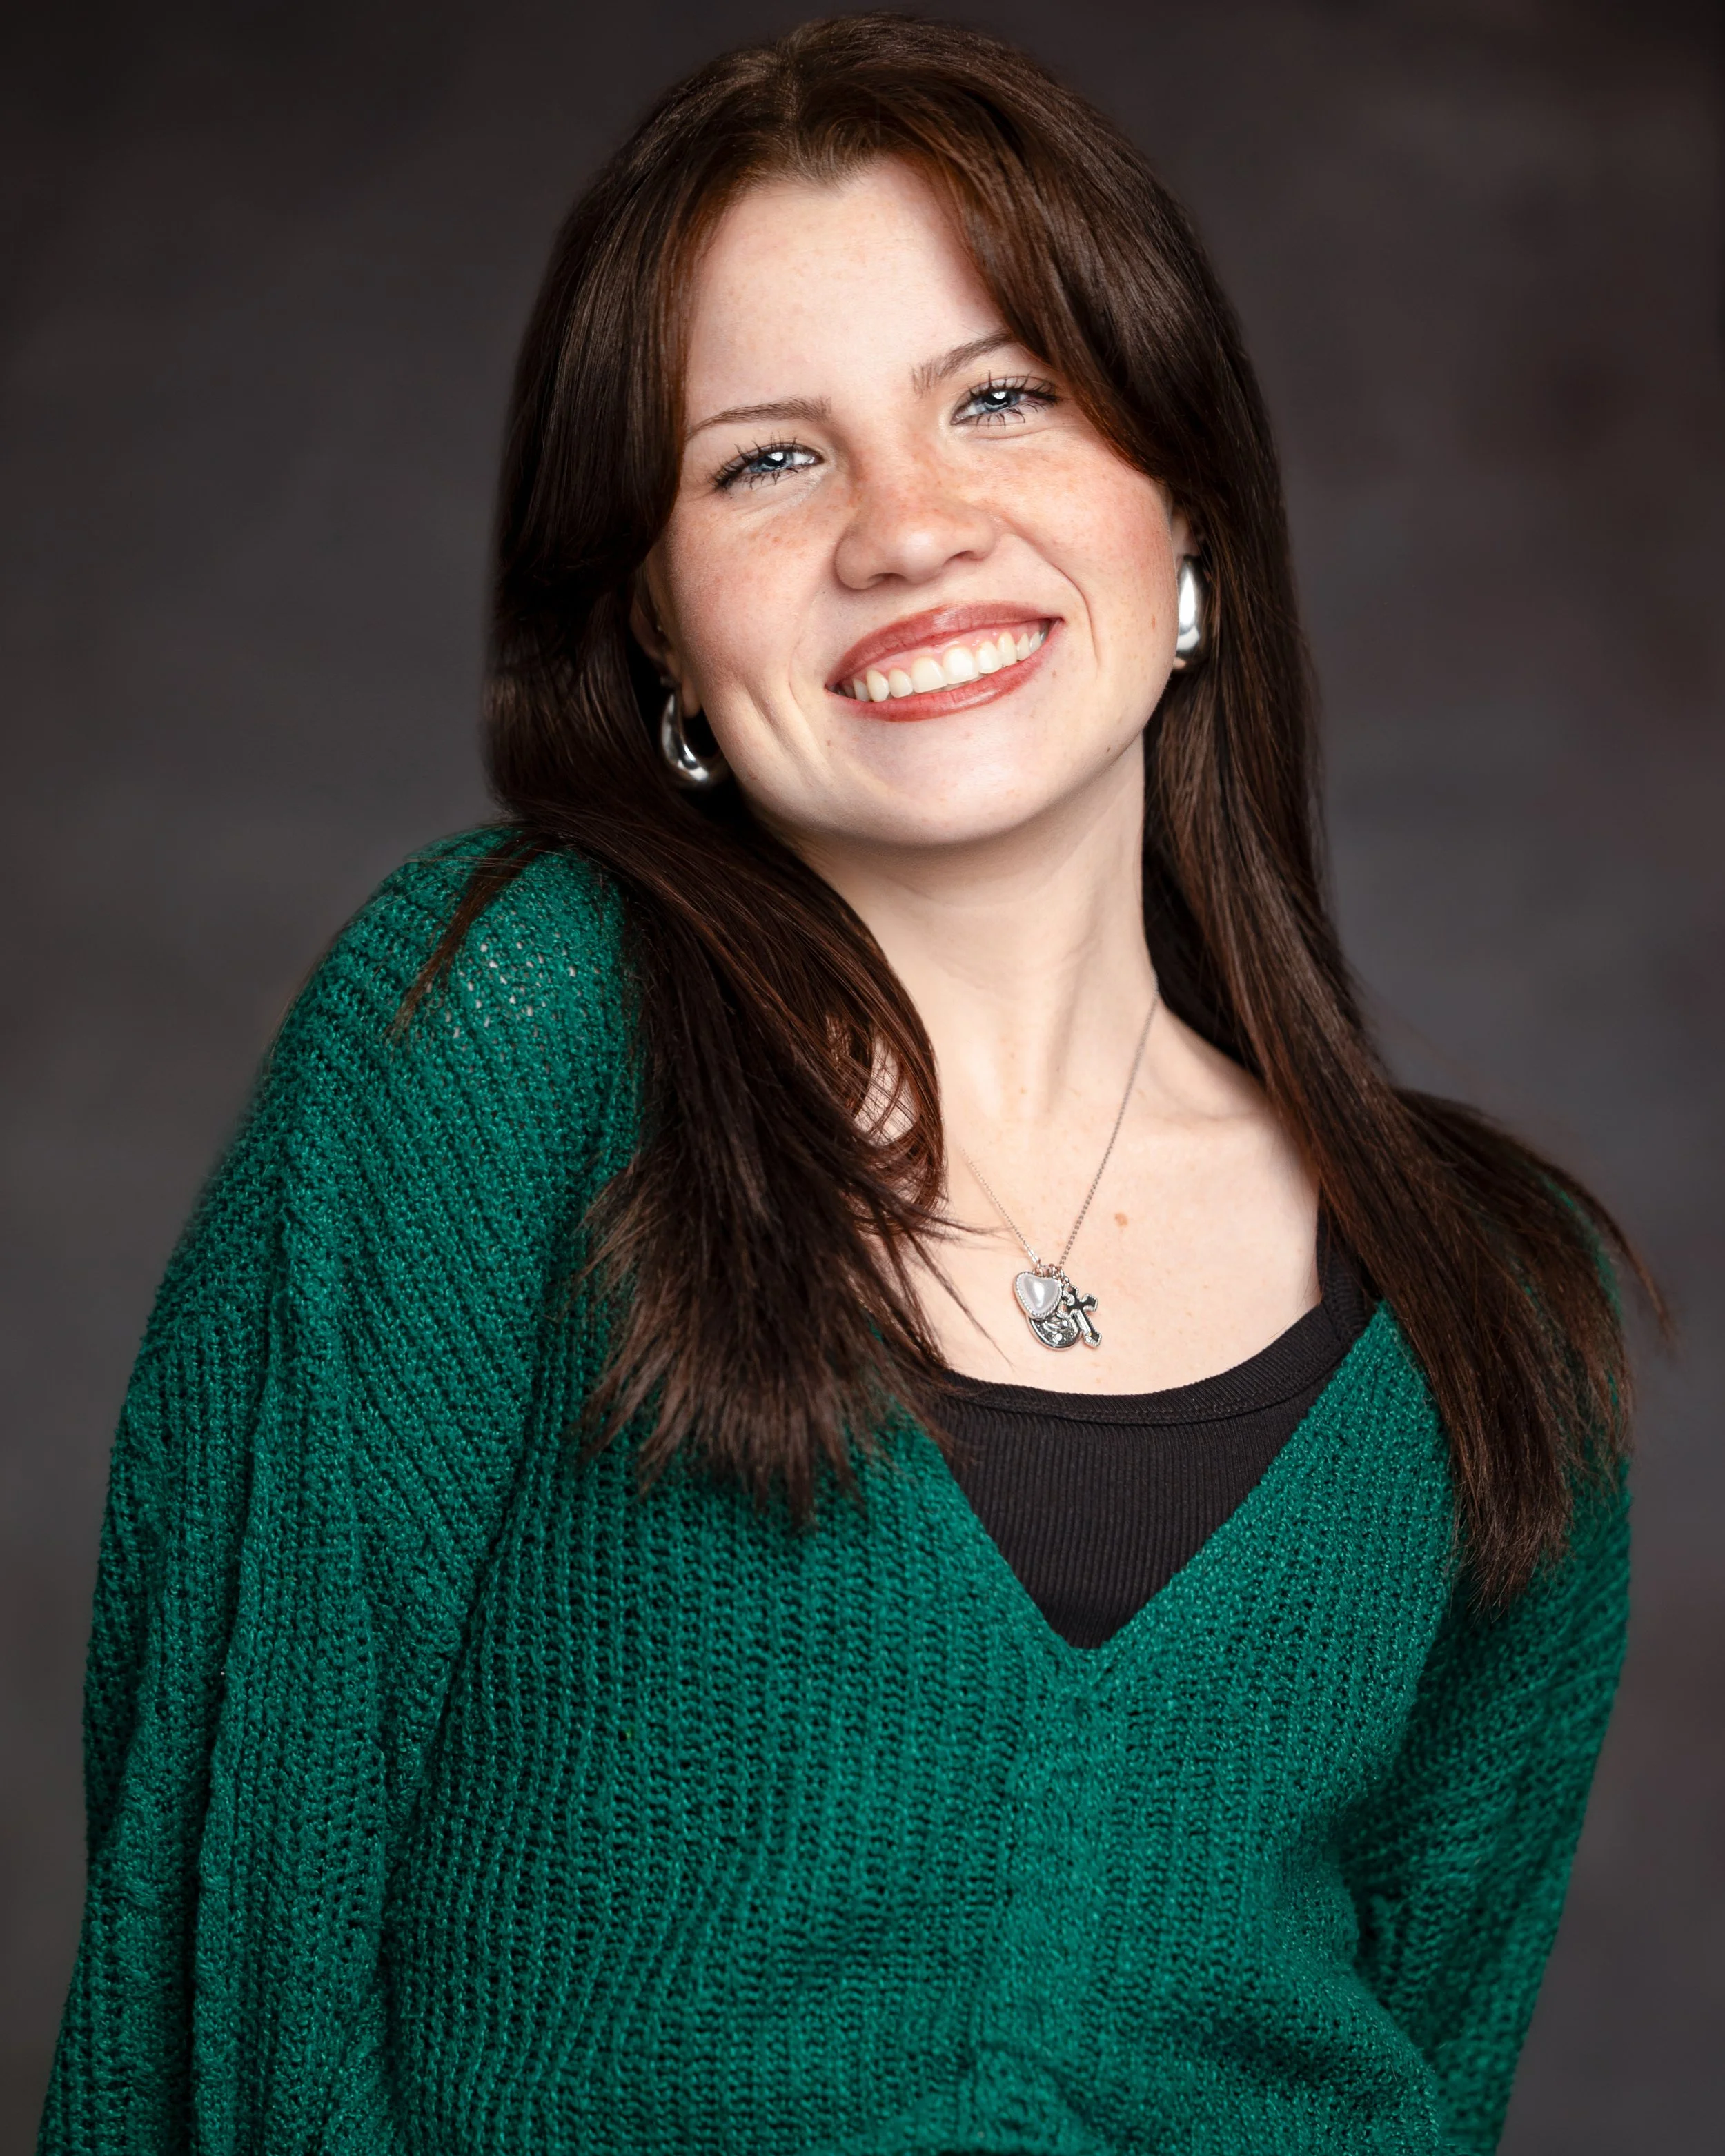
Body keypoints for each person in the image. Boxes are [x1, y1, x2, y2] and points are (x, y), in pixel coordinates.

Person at [41, 17, 1650, 2155]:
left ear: (1184, 516)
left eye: (1001, 397)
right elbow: (214, 1977)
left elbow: (1433, 2065)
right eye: (766, 459)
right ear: (657, 631)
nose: (910, 528)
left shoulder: (1492, 1301)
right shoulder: (503, 1034)